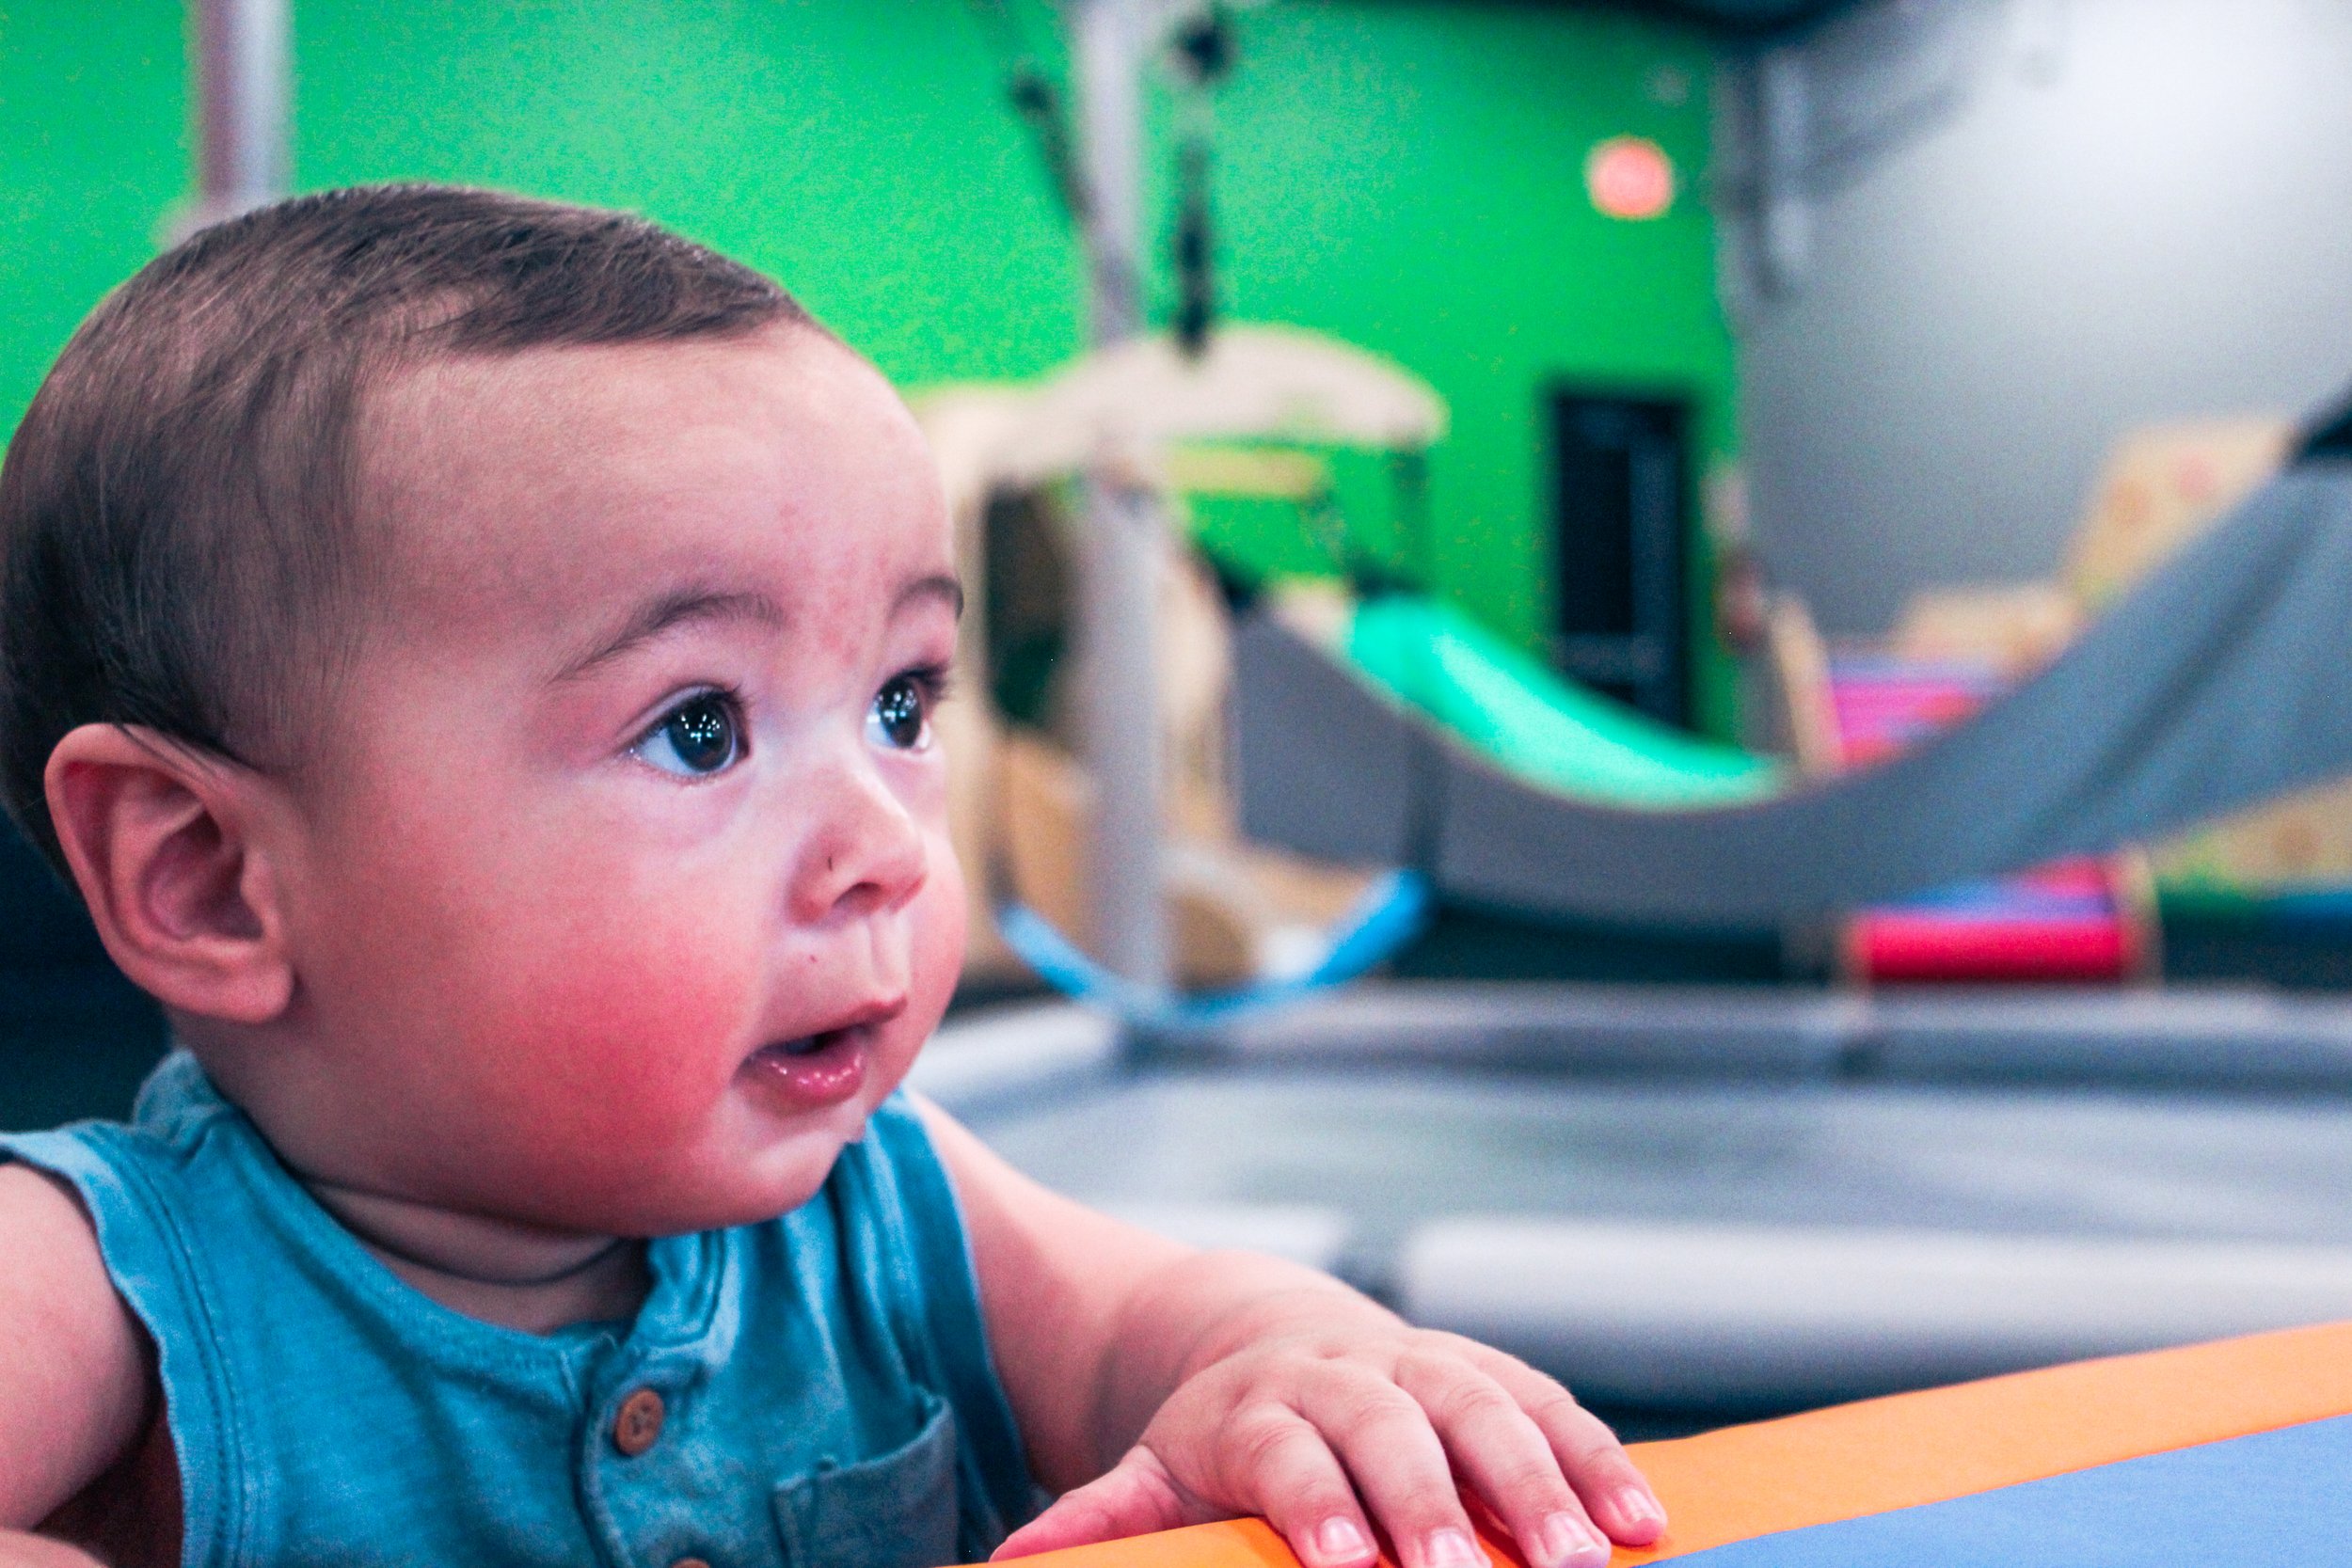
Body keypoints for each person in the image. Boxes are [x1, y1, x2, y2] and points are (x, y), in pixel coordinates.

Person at [0, 186, 1667, 1568]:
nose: (886, 845)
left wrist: (1302, 1371)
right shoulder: (114, 1284)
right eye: (701, 729)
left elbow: (1149, 1322)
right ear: (210, 878)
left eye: (900, 704)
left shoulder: (882, 1209)